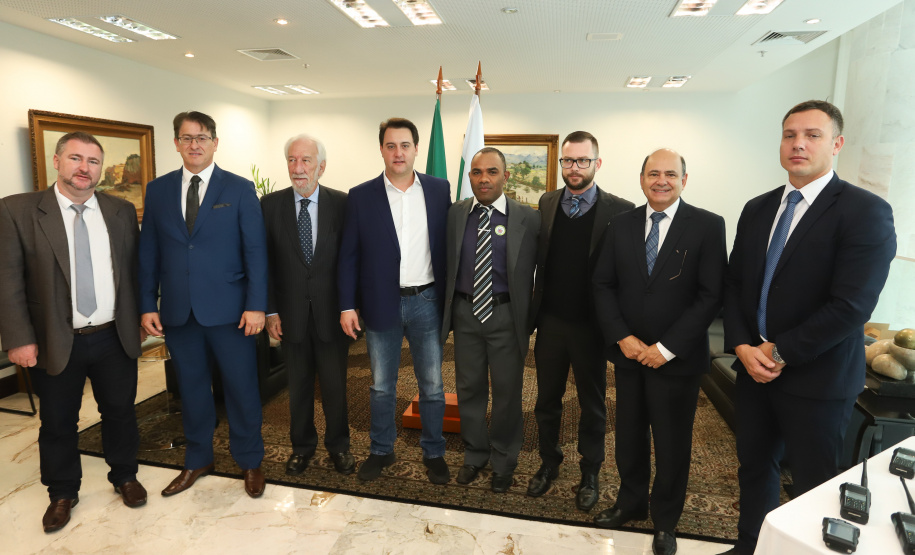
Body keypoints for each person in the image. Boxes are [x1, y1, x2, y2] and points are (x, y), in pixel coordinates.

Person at [720, 100, 896, 555]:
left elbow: (851, 306)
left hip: (818, 380)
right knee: (754, 468)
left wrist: (777, 353)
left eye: (812, 135)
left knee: (815, 486)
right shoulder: (758, 209)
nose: (798, 143)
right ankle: (750, 548)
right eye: (790, 134)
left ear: (836, 144)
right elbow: (736, 284)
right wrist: (741, 346)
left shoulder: (864, 212)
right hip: (753, 371)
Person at [0, 132, 147, 532]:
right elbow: (8, 280)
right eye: (76, 159)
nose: (84, 168)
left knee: (120, 412)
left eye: (93, 161)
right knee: (58, 421)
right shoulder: (18, 211)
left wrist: (142, 316)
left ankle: (125, 476)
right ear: (57, 161)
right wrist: (18, 338)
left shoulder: (119, 212)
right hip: (53, 339)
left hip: (113, 336)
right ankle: (62, 492)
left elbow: (132, 275)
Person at [593, 149, 727, 555]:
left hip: (677, 360)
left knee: (671, 444)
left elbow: (711, 296)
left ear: (685, 180)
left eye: (671, 174)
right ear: (641, 178)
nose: (662, 180)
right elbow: (602, 285)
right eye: (654, 173)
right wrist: (622, 337)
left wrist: (667, 348)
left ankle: (665, 520)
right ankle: (630, 502)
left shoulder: (706, 225)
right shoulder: (621, 225)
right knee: (629, 438)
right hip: (630, 356)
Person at [138, 111, 268, 498]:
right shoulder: (158, 190)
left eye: (202, 137)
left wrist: (257, 304)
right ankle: (198, 459)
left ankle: (250, 461)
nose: (194, 144)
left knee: (242, 389)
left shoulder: (240, 189)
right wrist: (147, 303)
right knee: (191, 391)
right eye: (186, 137)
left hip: (232, 313)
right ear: (176, 143)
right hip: (179, 314)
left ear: (215, 142)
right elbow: (149, 253)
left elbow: (256, 252)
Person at [338, 118, 452, 484]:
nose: (398, 152)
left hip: (427, 301)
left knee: (432, 385)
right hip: (380, 303)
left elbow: (447, 245)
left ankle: (434, 452)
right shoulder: (361, 195)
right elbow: (349, 255)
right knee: (381, 385)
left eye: (405, 145)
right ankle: (381, 451)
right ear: (382, 149)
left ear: (416, 149)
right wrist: (346, 304)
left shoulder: (438, 190)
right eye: (391, 145)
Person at [527, 131, 634, 510]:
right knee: (546, 400)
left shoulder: (620, 210)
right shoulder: (547, 200)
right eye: (568, 161)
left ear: (597, 164)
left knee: (593, 404)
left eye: (582, 161)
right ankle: (548, 462)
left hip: (593, 327)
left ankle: (591, 470)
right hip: (551, 322)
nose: (574, 168)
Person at [441, 147, 540, 493]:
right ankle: (474, 454)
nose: (484, 179)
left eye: (492, 172)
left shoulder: (528, 218)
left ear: (506, 176)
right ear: (469, 177)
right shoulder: (455, 214)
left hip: (506, 315)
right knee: (469, 389)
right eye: (477, 172)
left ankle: (503, 459)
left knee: (507, 392)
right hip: (466, 314)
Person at [261, 134, 354, 476]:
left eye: (306, 161)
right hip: (290, 318)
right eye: (292, 160)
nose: (298, 168)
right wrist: (270, 311)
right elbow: (264, 264)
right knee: (297, 388)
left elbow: (351, 260)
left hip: (332, 316)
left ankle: (339, 447)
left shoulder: (343, 205)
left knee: (335, 388)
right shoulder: (269, 206)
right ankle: (301, 448)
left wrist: (350, 305)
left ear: (321, 166)